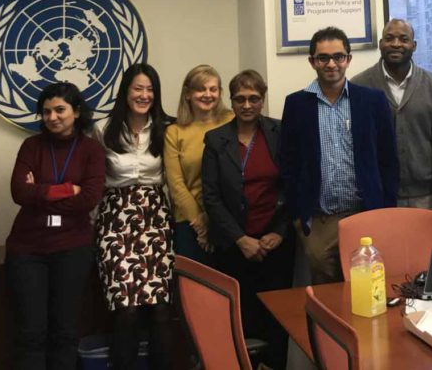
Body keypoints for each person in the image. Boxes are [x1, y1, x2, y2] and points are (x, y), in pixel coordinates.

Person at [280, 26, 399, 284]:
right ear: (312, 61)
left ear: (349, 59)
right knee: (327, 291)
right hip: (320, 219)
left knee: (367, 284)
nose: (331, 64)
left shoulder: (372, 101)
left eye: (338, 56)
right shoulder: (296, 104)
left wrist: (385, 209)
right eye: (323, 58)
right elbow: (288, 162)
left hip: (364, 213)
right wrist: (298, 216)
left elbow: (388, 159)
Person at [5, 82, 105, 370]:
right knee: (30, 332)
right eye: (46, 111)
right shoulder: (31, 146)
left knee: (65, 331)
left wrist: (41, 190)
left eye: (60, 110)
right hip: (27, 250)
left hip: (72, 248)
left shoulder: (92, 150)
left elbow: (88, 199)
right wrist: (66, 190)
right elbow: (19, 193)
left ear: (76, 112)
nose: (52, 117)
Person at [202, 70, 294, 370]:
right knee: (241, 317)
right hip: (234, 245)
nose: (247, 105)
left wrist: (280, 233)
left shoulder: (281, 134)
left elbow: (293, 186)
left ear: (262, 99)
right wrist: (240, 239)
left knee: (278, 318)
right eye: (240, 98)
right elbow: (211, 197)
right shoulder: (216, 140)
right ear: (231, 101)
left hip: (275, 243)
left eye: (254, 98)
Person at [94, 64, 175, 370]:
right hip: (115, 220)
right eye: (138, 88)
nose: (144, 95)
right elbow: (94, 181)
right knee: (126, 310)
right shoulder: (102, 129)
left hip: (156, 218)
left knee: (160, 309)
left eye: (150, 89)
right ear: (125, 91)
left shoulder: (167, 128)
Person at [351, 18, 432, 213]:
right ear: (381, 44)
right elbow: (355, 147)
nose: (396, 44)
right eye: (389, 38)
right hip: (377, 196)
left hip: (426, 197)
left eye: (403, 39)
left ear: (413, 45)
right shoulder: (359, 86)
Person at [164, 64, 234, 265]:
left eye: (213, 89)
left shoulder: (231, 121)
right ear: (188, 94)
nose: (208, 94)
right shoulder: (175, 132)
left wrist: (215, 218)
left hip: (228, 220)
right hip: (189, 222)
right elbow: (176, 185)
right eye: (201, 89)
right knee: (195, 291)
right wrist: (201, 223)